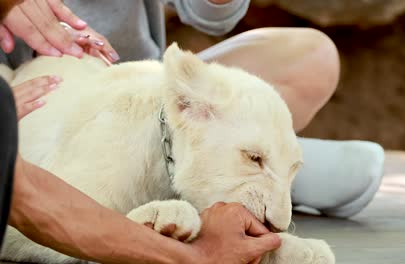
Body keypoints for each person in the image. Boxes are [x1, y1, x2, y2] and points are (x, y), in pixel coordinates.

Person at [0, 1, 281, 263]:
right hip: (29, 92)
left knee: (312, 53)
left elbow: (213, 14)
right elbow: (28, 202)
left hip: (134, 78)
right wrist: (194, 255)